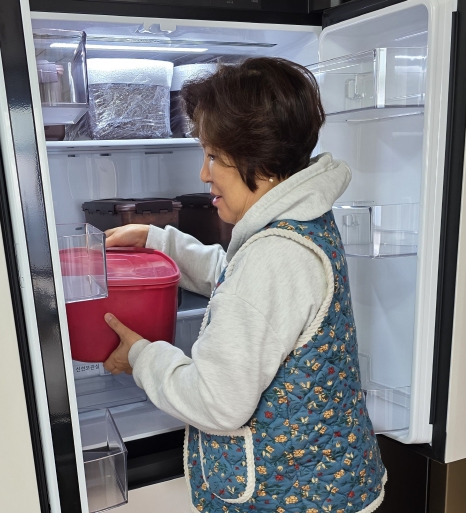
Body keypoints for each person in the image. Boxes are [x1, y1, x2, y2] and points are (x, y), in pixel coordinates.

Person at [102, 57, 386, 513]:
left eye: (214, 156)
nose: (204, 173)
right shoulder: (303, 221)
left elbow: (215, 402)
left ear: (258, 158)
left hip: (290, 500)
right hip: (328, 486)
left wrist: (140, 356)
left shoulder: (272, 257)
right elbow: (240, 280)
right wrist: (159, 240)